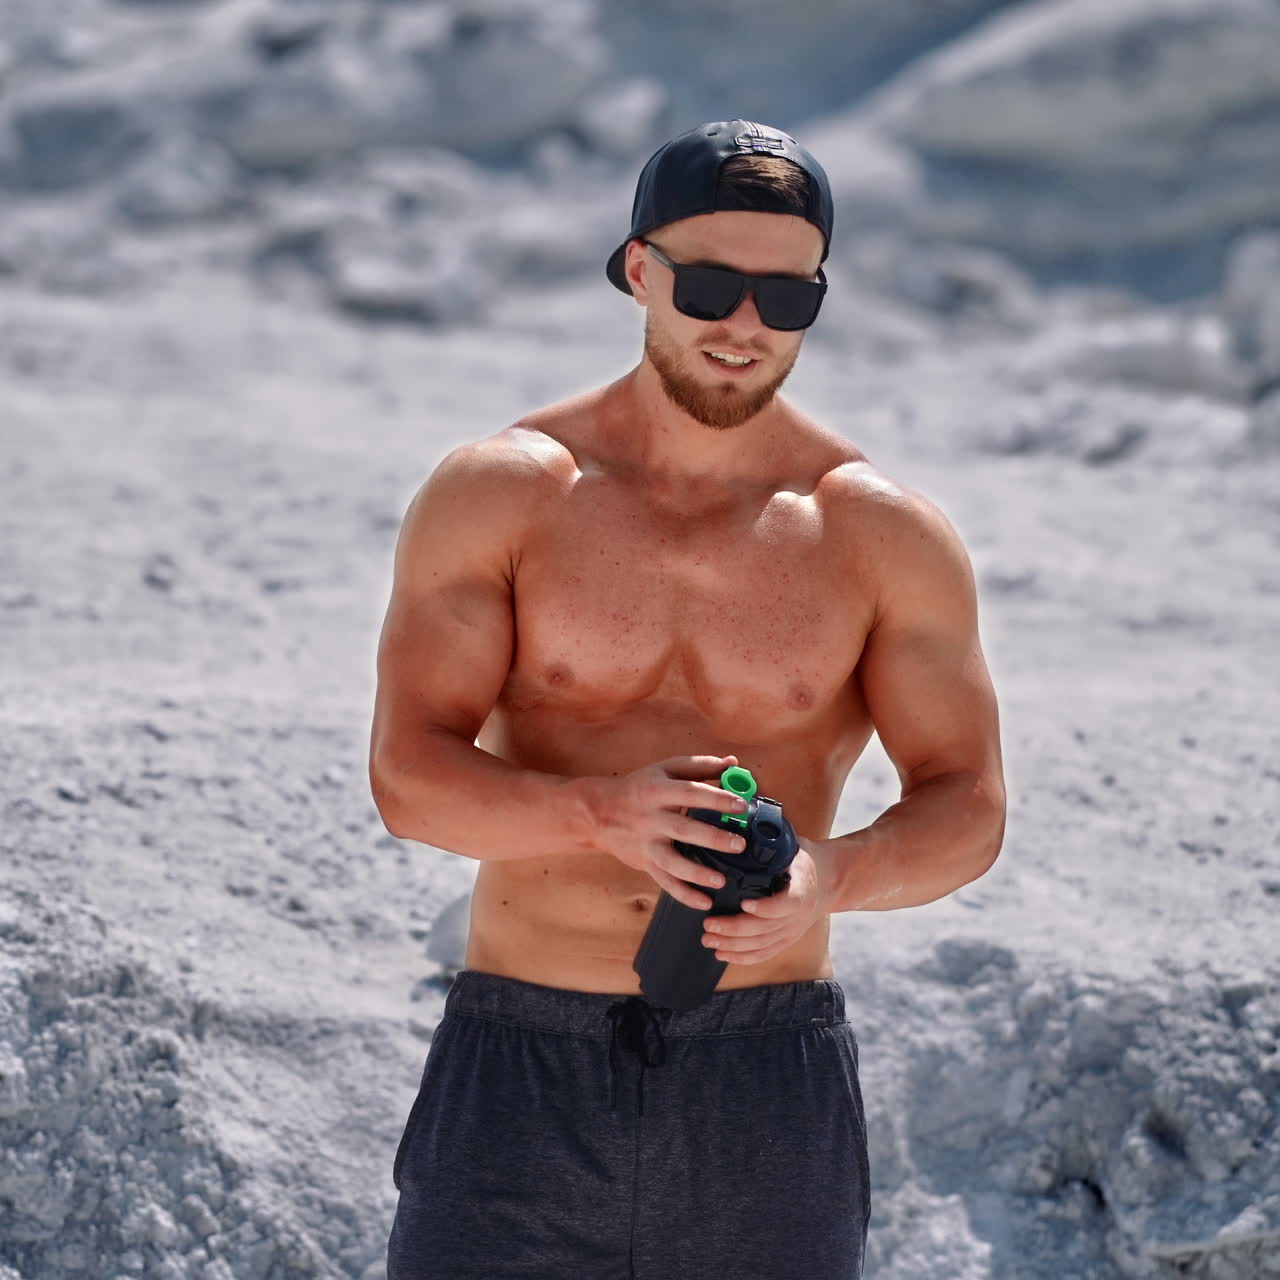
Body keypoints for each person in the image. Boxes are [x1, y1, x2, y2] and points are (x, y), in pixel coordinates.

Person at [369, 118, 1006, 1280]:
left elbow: (966, 802)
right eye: (708, 283)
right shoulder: (506, 493)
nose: (743, 325)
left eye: (785, 296)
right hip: (521, 1052)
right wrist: (597, 813)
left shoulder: (877, 533)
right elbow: (408, 779)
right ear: (636, 270)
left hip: (763, 1075)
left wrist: (834, 872)